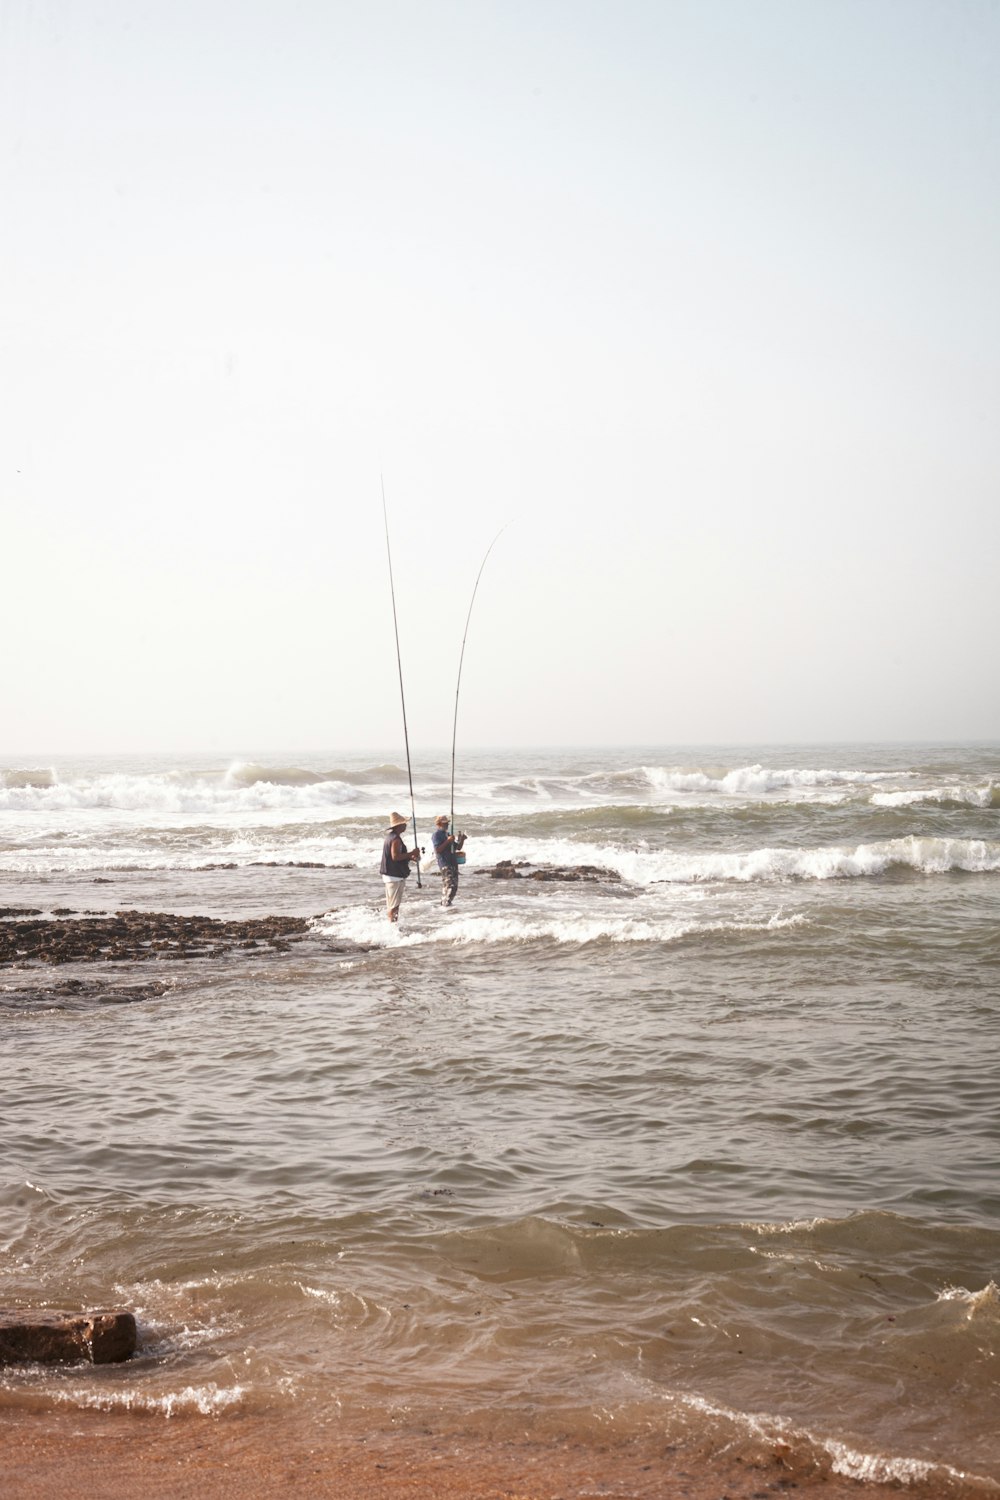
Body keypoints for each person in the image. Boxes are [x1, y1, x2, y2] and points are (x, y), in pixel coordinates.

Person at [379, 812, 421, 923]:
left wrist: (410, 857)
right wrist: (412, 852)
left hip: (390, 875)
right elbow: (395, 857)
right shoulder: (396, 839)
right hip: (394, 876)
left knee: (392, 904)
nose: (405, 825)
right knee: (394, 906)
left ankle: (392, 925)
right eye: (404, 823)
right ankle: (392, 927)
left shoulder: (390, 837)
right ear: (399, 825)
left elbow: (397, 857)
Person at [431, 814, 467, 908]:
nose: (446, 825)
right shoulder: (436, 835)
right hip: (445, 863)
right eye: (444, 823)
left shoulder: (447, 834)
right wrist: (448, 841)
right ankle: (445, 904)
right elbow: (438, 850)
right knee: (449, 885)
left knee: (454, 886)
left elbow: (457, 847)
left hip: (453, 863)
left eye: (447, 823)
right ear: (439, 824)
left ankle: (447, 903)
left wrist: (461, 839)